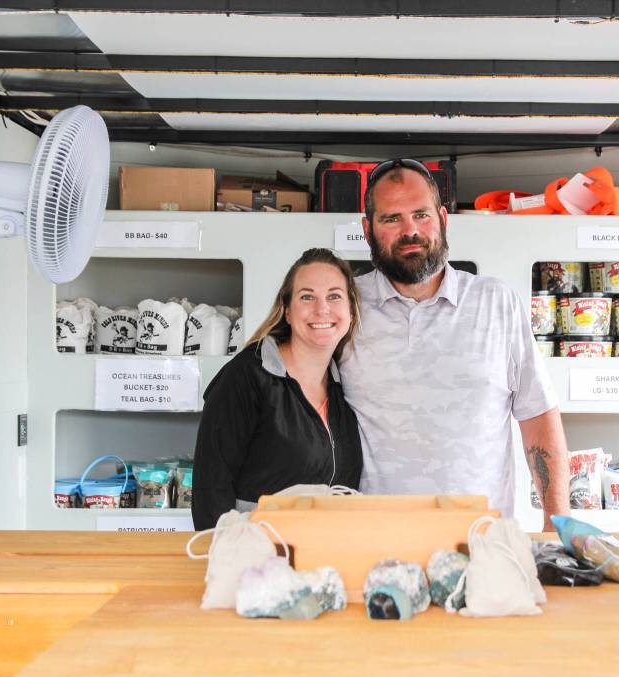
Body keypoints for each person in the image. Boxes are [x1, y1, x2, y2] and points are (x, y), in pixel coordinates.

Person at [339, 159, 570, 529]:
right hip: (372, 544)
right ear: (367, 230)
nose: (410, 230)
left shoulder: (496, 302)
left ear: (443, 219)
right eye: (391, 219)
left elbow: (538, 416)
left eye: (420, 214)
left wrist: (556, 522)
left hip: (481, 545)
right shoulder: (343, 306)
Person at [191, 248, 363, 531]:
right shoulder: (247, 377)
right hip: (257, 561)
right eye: (307, 296)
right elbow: (211, 490)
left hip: (321, 562)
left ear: (351, 311)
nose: (322, 309)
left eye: (334, 296)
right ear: (287, 310)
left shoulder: (343, 387)